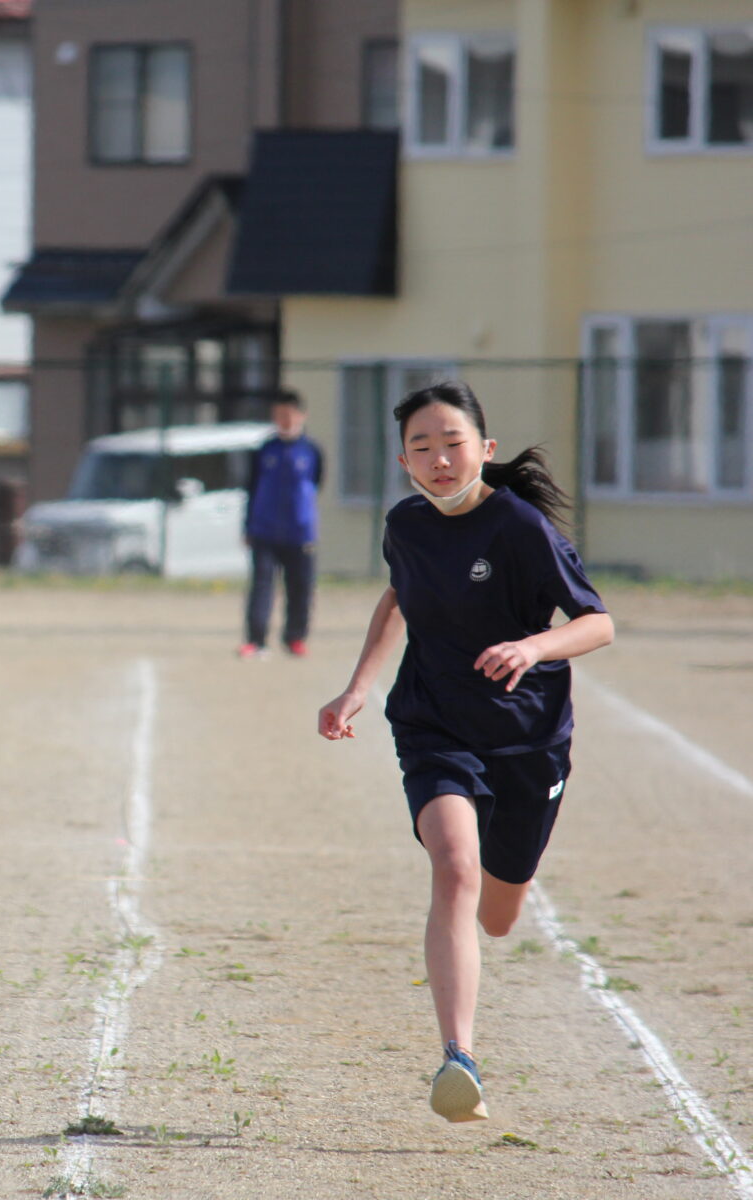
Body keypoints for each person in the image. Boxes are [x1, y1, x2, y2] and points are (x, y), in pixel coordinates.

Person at [317, 380, 613, 1123]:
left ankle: (498, 893)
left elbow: (596, 622)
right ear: (403, 461)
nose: (439, 458)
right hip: (434, 724)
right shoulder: (406, 525)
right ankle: (460, 1058)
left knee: (500, 913)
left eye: (453, 442)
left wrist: (533, 645)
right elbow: (399, 597)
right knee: (453, 869)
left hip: (528, 740)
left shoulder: (519, 527)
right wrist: (357, 687)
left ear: (483, 449)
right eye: (422, 446)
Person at [240, 390, 322, 659]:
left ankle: (295, 638)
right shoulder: (264, 449)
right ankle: (256, 640)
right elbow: (251, 487)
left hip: (300, 533)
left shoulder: (311, 451)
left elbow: (317, 484)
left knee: (300, 587)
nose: (284, 419)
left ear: (301, 415)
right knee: (262, 586)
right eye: (278, 415)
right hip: (264, 531)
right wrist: (248, 525)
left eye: (288, 414)